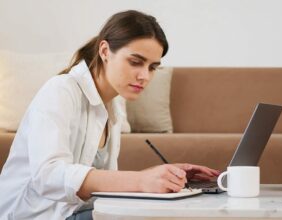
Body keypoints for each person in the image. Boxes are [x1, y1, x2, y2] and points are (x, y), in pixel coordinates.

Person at [0, 10, 220, 220]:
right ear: (105, 51)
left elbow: (101, 185)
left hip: (77, 211)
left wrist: (159, 177)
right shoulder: (61, 90)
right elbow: (48, 176)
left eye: (153, 67)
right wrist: (140, 180)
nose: (144, 76)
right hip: (38, 215)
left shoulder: (111, 107)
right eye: (135, 62)